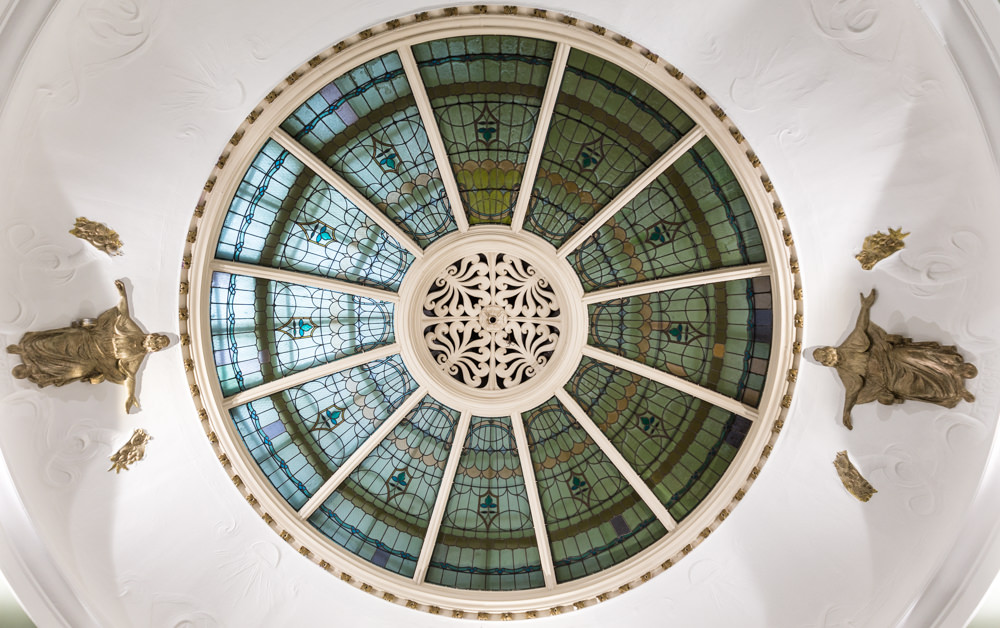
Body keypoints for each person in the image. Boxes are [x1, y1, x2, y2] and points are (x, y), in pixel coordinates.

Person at [814, 289, 976, 429]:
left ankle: (953, 368)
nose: (828, 357)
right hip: (889, 380)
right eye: (825, 359)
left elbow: (860, 328)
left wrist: (865, 306)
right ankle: (954, 391)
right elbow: (852, 394)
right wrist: (846, 412)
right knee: (915, 389)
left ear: (830, 349)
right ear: (827, 364)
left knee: (914, 358)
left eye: (826, 353)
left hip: (890, 359)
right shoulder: (844, 373)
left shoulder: (848, 346)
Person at [7, 280, 168, 413]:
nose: (151, 344)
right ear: (151, 336)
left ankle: (36, 371)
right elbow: (123, 313)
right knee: (61, 340)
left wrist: (130, 396)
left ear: (152, 350)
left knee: (76, 370)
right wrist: (123, 294)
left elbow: (129, 377)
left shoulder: (136, 357)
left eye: (155, 346)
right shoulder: (133, 330)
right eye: (154, 340)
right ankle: (26, 348)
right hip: (89, 339)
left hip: (95, 359)